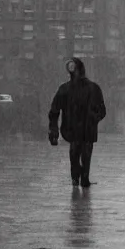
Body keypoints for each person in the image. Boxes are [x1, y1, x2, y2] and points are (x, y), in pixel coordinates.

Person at [48, 58, 106, 188]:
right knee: (79, 156)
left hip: (79, 129)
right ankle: (80, 179)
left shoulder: (87, 88)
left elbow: (101, 110)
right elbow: (55, 110)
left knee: (79, 156)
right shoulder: (88, 88)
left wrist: (92, 119)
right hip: (78, 129)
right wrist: (54, 128)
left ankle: (80, 179)